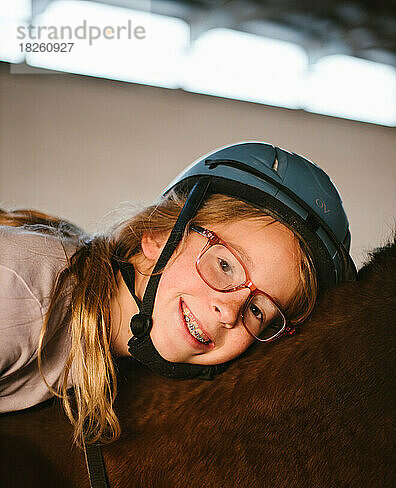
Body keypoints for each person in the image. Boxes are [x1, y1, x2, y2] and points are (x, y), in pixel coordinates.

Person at [0, 141, 356, 446]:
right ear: (159, 234)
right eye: (225, 265)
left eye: (258, 311)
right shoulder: (26, 290)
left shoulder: (94, 351)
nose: (230, 312)